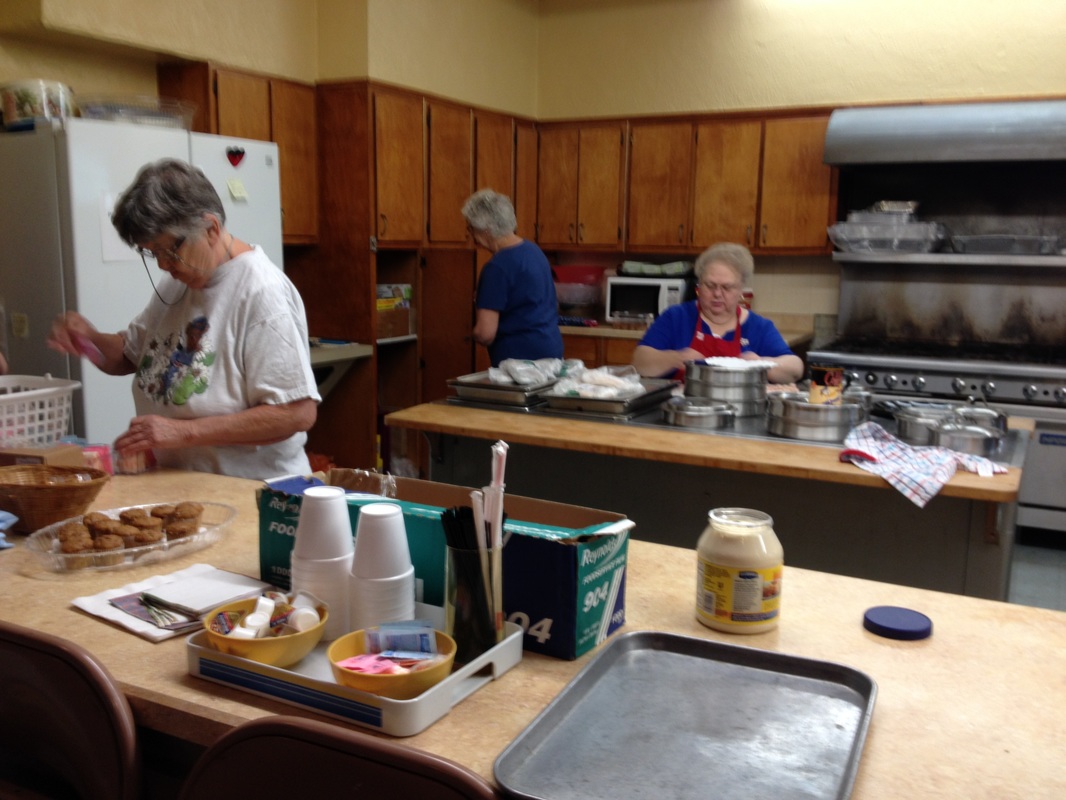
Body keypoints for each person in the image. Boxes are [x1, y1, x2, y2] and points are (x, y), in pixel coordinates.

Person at [47, 158, 320, 479]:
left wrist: (181, 433)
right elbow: (128, 354)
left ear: (211, 229)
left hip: (255, 494)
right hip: (188, 488)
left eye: (170, 250)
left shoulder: (261, 291)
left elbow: (296, 413)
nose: (164, 264)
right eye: (152, 253)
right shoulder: (178, 282)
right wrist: (90, 339)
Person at [632, 242, 804, 384]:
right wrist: (676, 358)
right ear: (699, 285)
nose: (717, 294)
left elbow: (795, 368)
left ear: (740, 290)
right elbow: (640, 362)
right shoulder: (677, 317)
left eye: (727, 287)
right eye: (710, 285)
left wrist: (761, 364)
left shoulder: (758, 327)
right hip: (684, 412)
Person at [462, 189, 563, 367]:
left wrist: (467, 335)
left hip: (518, 365)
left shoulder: (496, 268)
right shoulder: (534, 252)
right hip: (551, 354)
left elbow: (486, 333)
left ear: (485, 230)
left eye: (471, 228)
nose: (470, 235)